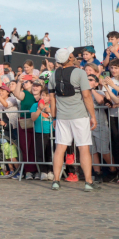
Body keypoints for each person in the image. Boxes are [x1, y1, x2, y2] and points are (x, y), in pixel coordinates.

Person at [49, 47, 99, 191]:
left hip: (62, 117)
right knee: (83, 148)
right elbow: (87, 96)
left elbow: (52, 98)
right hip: (79, 115)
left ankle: (56, 180)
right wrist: (93, 116)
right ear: (70, 58)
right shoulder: (79, 73)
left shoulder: (53, 75)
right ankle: (88, 182)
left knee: (60, 148)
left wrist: (54, 117)